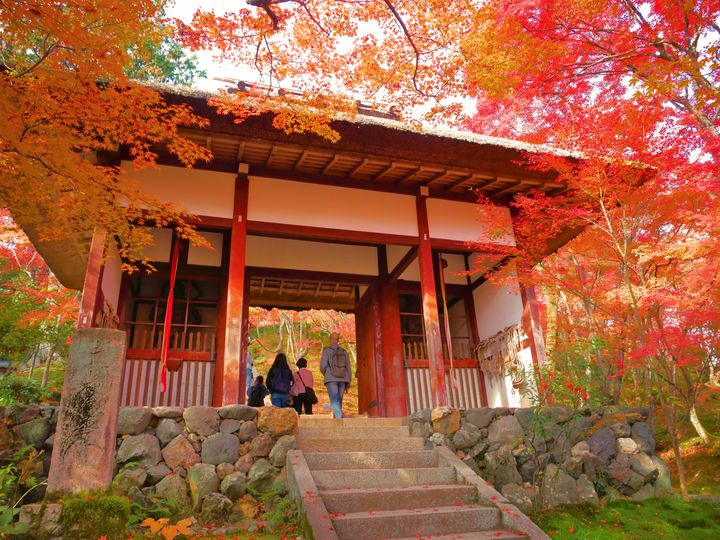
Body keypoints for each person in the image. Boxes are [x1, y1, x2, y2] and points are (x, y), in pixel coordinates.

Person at [320, 332, 351, 418]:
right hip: (343, 378)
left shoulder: (327, 351)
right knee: (339, 400)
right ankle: (338, 419)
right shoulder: (345, 352)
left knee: (334, 399)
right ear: (338, 340)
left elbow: (323, 365)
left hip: (331, 378)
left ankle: (339, 417)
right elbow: (348, 368)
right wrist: (348, 383)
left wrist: (325, 373)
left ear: (330, 340)